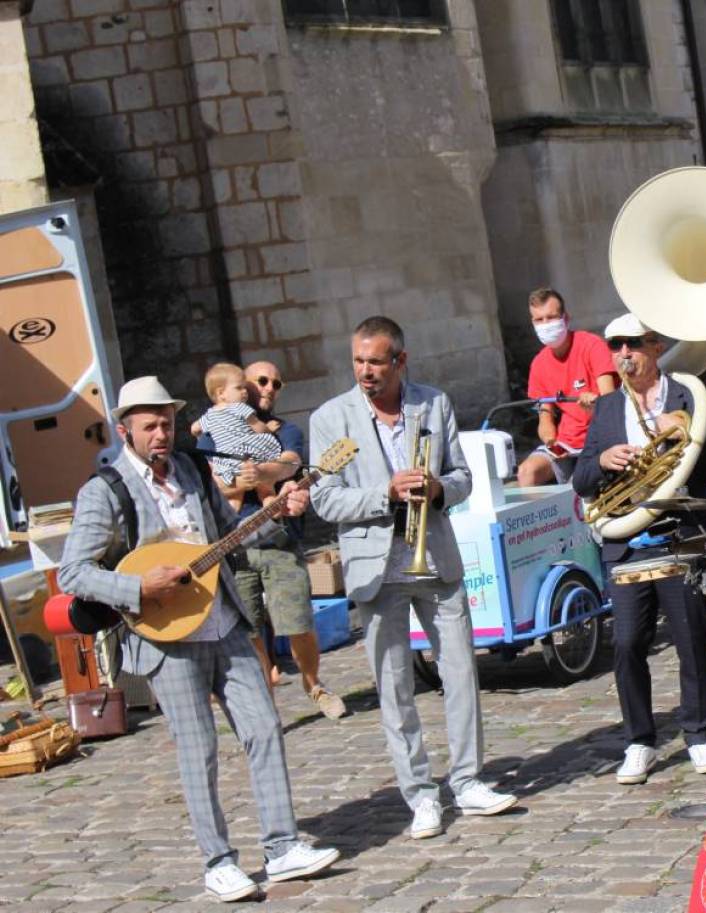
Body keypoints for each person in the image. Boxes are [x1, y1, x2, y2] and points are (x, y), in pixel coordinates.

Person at [59, 376, 338, 902]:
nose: (161, 434)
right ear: (125, 431)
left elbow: (228, 539)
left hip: (223, 619)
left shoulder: (191, 469)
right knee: (198, 750)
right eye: (150, 426)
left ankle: (281, 848)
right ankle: (219, 861)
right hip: (166, 636)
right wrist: (137, 585)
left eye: (166, 422)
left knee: (263, 728)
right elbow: (74, 572)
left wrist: (278, 510)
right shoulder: (106, 490)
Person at [310, 316, 517, 840]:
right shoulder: (330, 418)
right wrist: (387, 493)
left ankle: (468, 780)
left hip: (436, 560)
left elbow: (464, 477)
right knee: (395, 686)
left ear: (400, 361)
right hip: (375, 567)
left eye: (376, 362)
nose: (365, 372)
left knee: (462, 674)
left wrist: (437, 487)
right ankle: (421, 795)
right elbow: (324, 498)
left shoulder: (434, 403)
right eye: (358, 361)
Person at [572, 314, 706, 786]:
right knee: (626, 645)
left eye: (632, 345)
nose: (623, 355)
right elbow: (581, 479)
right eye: (615, 346)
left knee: (691, 640)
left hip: (680, 535)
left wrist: (682, 430)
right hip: (627, 542)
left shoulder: (691, 395)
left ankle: (699, 734)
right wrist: (601, 460)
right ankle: (639, 740)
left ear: (656, 346)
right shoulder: (604, 410)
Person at [197, 360, 347, 719]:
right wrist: (241, 483)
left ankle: (314, 685)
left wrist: (261, 472)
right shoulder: (212, 430)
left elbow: (292, 464)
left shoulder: (283, 430)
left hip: (279, 538)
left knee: (297, 620)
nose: (269, 388)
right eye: (261, 381)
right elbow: (207, 481)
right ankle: (265, 701)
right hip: (233, 545)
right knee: (247, 629)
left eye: (277, 384)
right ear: (241, 386)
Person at [518, 288, 617, 487]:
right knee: (526, 472)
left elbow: (611, 400)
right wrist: (549, 438)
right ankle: (538, 519)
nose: (545, 325)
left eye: (551, 317)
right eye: (539, 320)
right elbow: (545, 417)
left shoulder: (591, 345)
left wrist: (595, 405)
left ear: (566, 318)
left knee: (580, 482)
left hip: (599, 438)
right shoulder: (538, 364)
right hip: (565, 444)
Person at [192, 362, 282, 505]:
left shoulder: (209, 415)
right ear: (221, 393)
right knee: (262, 481)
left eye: (245, 388)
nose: (244, 392)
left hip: (227, 458)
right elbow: (257, 427)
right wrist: (269, 429)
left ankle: (234, 510)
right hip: (248, 451)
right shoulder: (239, 408)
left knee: (234, 492)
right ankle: (269, 499)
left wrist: (198, 436)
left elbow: (195, 428)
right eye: (239, 388)